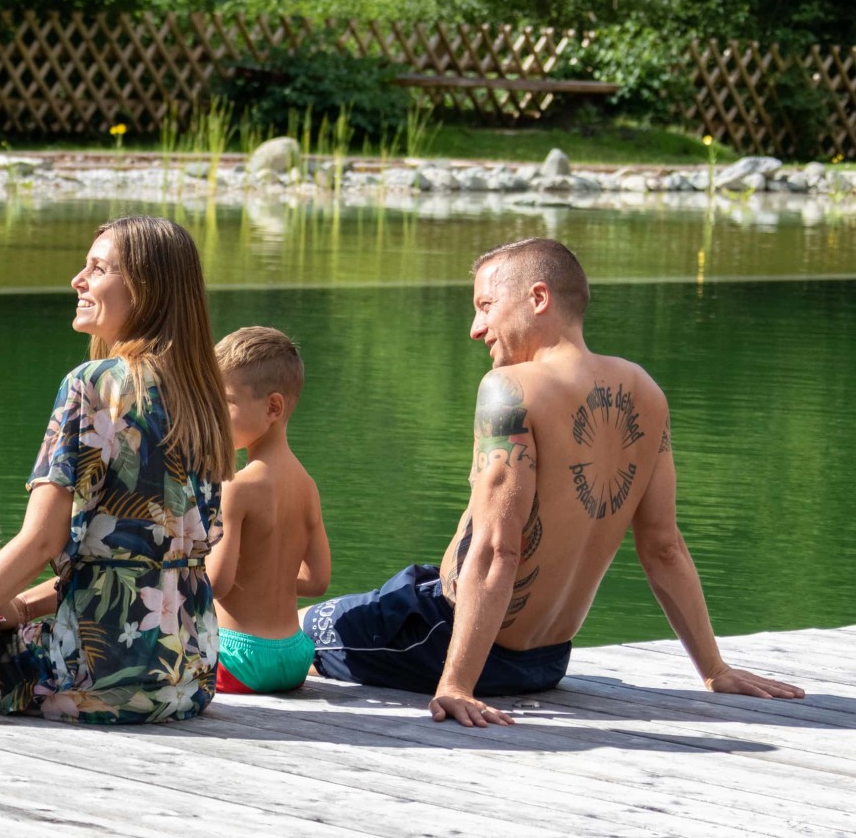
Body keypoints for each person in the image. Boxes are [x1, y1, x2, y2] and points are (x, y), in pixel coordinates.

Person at [301, 238, 805, 727]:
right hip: (547, 662)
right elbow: (664, 547)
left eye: (486, 306)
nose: (477, 328)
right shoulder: (645, 391)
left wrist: (456, 685)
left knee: (290, 634)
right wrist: (714, 670)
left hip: (450, 638)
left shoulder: (510, 389)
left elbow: (500, 548)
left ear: (538, 298)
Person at [0, 215, 235, 724]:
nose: (77, 281)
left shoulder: (93, 384)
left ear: (144, 289)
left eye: (97, 268)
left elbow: (41, 541)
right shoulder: (203, 398)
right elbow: (137, 558)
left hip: (95, 680)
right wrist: (17, 605)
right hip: (187, 676)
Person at [207, 326, 331, 694]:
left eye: (225, 403)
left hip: (237, 660)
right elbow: (317, 581)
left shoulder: (237, 488)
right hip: (294, 658)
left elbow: (217, 583)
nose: (213, 415)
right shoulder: (308, 486)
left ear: (273, 407)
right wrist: (266, 578)